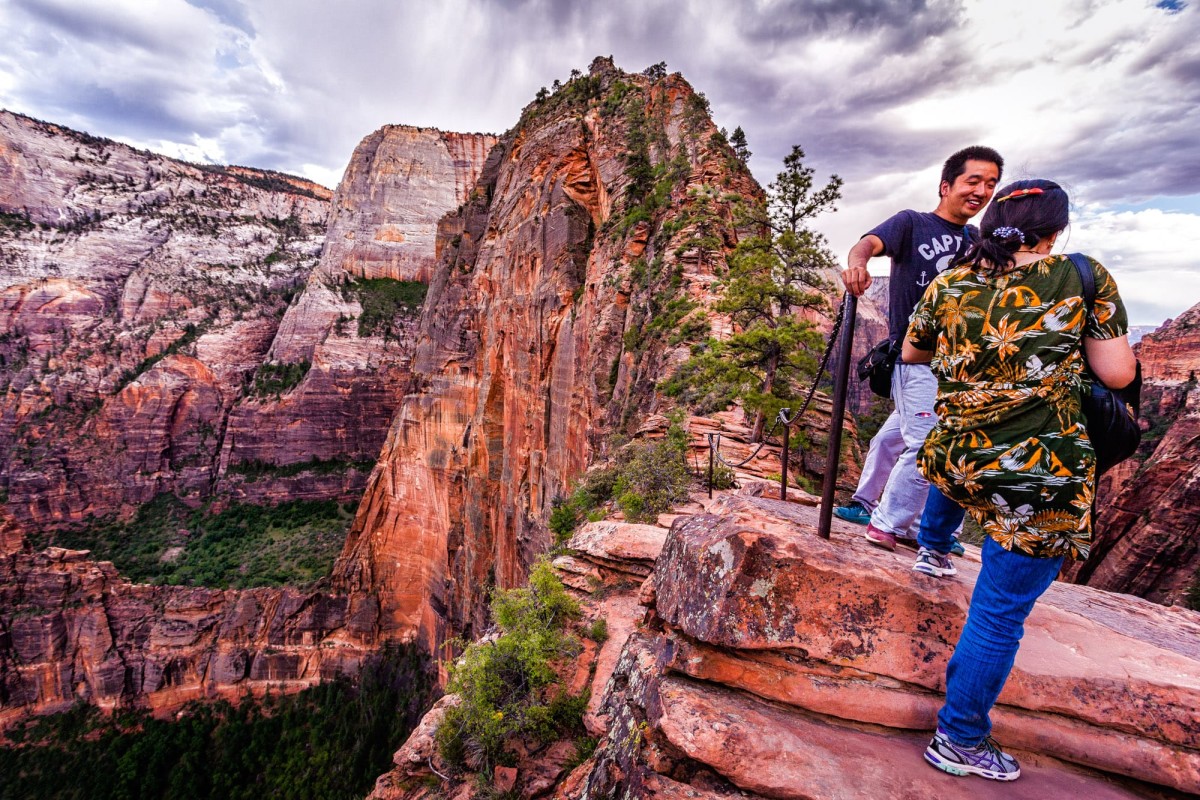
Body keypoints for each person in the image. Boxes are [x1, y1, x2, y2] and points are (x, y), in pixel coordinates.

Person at [903, 179, 1137, 780]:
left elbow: (911, 353)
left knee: (957, 472)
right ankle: (959, 737)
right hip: (1039, 472)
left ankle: (931, 547)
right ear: (1056, 230)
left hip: (959, 451)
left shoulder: (951, 281)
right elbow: (1115, 374)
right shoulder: (1083, 275)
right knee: (999, 612)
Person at [835, 146, 1003, 553]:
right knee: (929, 443)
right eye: (973, 180)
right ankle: (890, 525)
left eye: (992, 184)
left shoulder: (979, 241)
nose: (982, 190)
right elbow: (867, 243)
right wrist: (858, 264)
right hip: (916, 358)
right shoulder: (912, 223)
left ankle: (866, 503)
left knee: (895, 437)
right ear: (947, 186)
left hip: (959, 365)